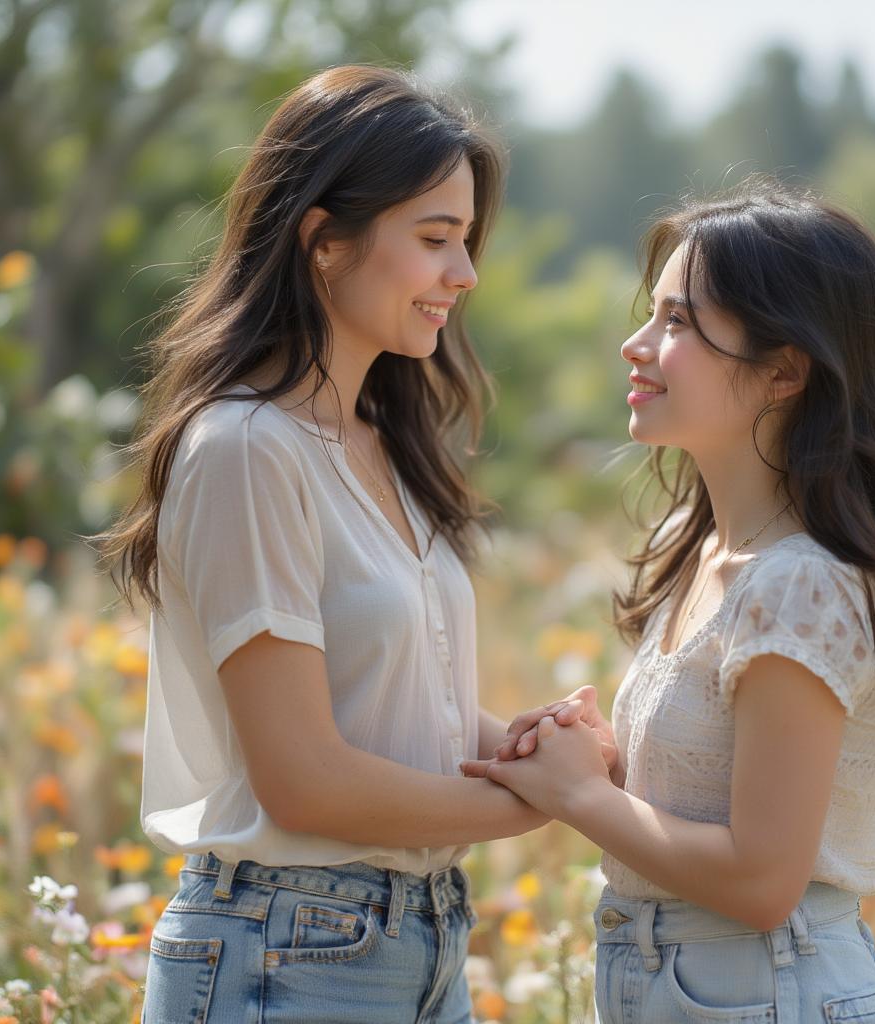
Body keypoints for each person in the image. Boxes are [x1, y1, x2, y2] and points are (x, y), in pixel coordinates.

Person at [95, 64, 593, 1024]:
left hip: (423, 941)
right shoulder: (245, 449)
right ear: (325, 242)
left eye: (468, 241)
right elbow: (306, 779)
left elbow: (383, 698)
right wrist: (542, 803)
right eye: (436, 238)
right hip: (289, 954)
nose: (466, 273)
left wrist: (520, 743)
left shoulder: (380, 441)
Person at [462, 178, 875, 1023]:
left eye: (679, 322)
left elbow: (764, 882)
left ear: (784, 371)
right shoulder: (706, 559)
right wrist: (608, 763)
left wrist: (581, 797)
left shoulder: (796, 583)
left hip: (767, 986)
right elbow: (723, 810)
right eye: (652, 313)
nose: (636, 343)